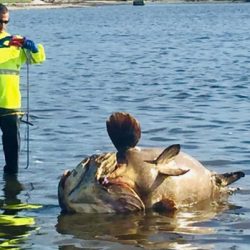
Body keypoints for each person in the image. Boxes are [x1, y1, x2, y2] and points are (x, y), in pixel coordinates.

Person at [0, 4, 46, 175]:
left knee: (12, 153)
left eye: (5, 21)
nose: (2, 26)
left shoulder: (14, 43)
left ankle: (11, 188)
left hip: (10, 105)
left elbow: (37, 58)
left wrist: (33, 47)